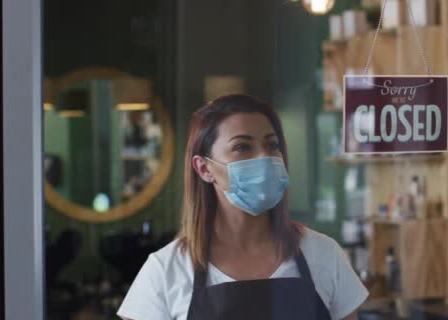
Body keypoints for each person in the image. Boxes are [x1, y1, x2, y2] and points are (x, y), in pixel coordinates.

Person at [117, 94, 369, 320]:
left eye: (272, 145)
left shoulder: (324, 254)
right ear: (204, 168)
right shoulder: (167, 269)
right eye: (242, 147)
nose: (263, 157)